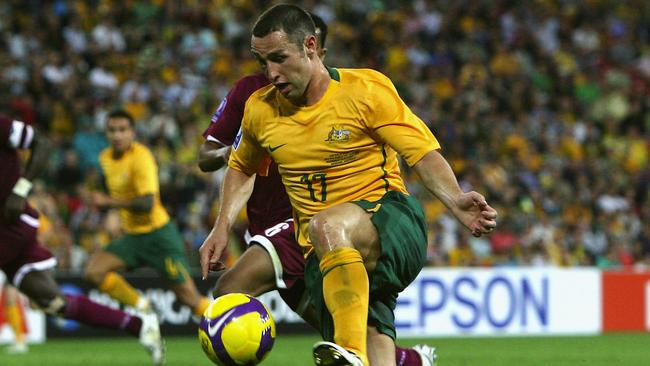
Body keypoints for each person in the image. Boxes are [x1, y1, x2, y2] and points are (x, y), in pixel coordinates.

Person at [200, 4, 498, 366]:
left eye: (279, 58)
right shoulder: (260, 110)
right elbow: (241, 167)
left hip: (389, 221)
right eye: (263, 62)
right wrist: (220, 227)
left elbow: (420, 152)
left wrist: (455, 199)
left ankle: (350, 352)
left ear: (311, 46)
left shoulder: (365, 90)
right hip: (324, 255)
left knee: (327, 225)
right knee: (372, 344)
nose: (271, 73)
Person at [0, 115, 164, 365]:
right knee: (53, 302)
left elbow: (41, 144)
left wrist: (20, 190)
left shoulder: (3, 126)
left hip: (11, 226)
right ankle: (139, 325)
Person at [84, 110, 210, 319]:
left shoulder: (142, 157)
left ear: (132, 132)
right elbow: (117, 195)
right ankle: (143, 306)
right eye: (112, 130)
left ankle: (223, 323)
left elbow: (147, 203)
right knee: (93, 272)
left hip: (158, 234)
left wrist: (109, 203)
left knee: (188, 297)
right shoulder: (105, 158)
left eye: (122, 130)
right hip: (132, 236)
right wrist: (109, 211)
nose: (117, 135)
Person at [0, 275, 28, 354]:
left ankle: (20, 342)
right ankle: (19, 340)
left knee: (11, 302)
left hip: (14, 271)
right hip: (11, 272)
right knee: (9, 303)